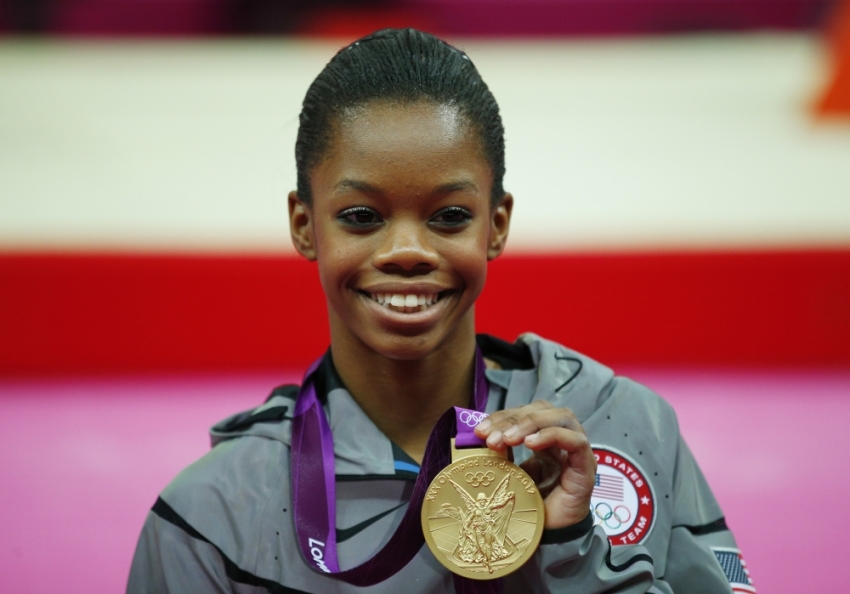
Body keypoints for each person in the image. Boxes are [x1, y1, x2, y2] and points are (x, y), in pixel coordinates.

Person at [128, 28, 754, 594]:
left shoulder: (622, 427)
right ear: (304, 225)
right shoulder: (212, 515)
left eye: (450, 216)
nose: (406, 251)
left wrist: (571, 554)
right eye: (361, 217)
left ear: (497, 224)